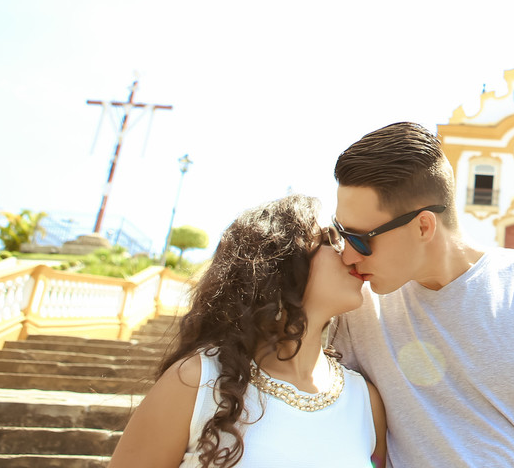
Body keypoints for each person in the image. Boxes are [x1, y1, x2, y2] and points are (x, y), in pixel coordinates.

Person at [329, 122, 514, 468]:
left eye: (359, 238)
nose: (348, 254)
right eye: (339, 233)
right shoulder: (357, 307)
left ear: (423, 226)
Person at [110, 194, 387, 468]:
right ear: (278, 266)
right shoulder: (197, 381)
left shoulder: (365, 400)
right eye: (329, 240)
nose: (352, 253)